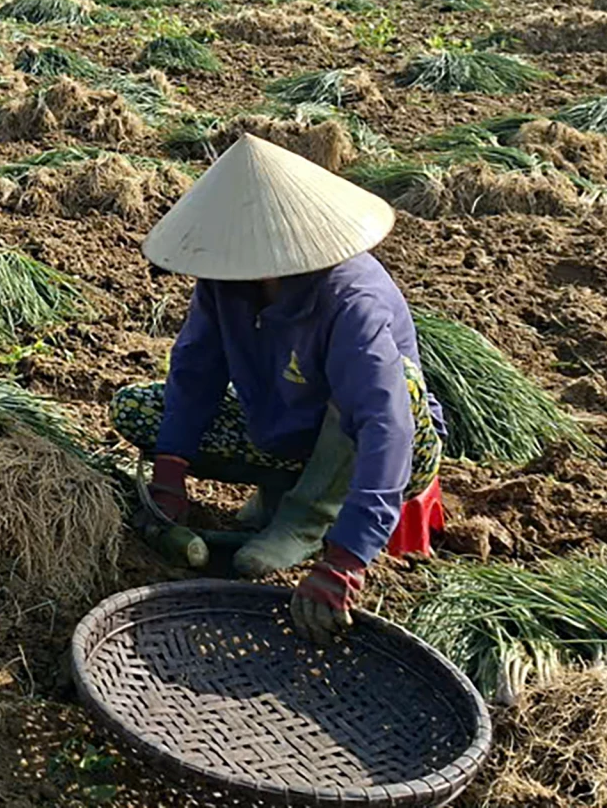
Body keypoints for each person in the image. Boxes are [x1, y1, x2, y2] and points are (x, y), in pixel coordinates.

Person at [109, 135, 448, 645]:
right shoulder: (225, 283)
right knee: (137, 410)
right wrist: (170, 472)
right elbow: (195, 370)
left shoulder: (350, 302)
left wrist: (347, 559)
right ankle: (280, 492)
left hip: (383, 447)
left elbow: (386, 427)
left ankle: (306, 521)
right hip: (283, 435)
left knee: (386, 389)